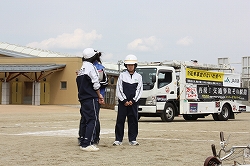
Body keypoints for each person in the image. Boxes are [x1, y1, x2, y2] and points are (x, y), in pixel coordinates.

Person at [76, 48, 105, 152]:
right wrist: (99, 95)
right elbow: (96, 84)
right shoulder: (91, 67)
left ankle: (83, 140)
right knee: (92, 120)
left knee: (84, 119)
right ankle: (87, 143)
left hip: (83, 98)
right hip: (90, 98)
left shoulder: (81, 69)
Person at [113, 54, 143, 146]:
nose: (130, 67)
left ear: (135, 65)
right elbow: (119, 89)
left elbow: (139, 90)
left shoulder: (138, 77)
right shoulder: (122, 75)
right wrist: (124, 100)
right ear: (126, 65)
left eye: (132, 65)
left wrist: (133, 101)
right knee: (120, 120)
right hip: (123, 103)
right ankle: (118, 139)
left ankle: (133, 139)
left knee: (133, 120)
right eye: (128, 65)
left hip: (133, 103)